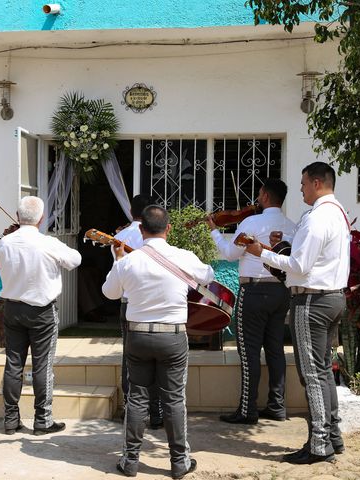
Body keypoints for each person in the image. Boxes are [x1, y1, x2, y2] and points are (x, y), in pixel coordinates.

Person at [245, 162, 350, 464]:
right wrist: (279, 250)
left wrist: (262, 253)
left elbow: (300, 267)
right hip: (331, 298)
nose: (301, 188)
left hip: (312, 302)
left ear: (317, 183)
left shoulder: (317, 218)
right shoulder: (338, 214)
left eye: (304, 183)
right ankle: (332, 436)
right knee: (324, 370)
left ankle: (319, 444)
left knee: (312, 374)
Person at [102, 205, 215, 479]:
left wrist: (118, 260)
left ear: (140, 231)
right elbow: (209, 276)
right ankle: (179, 462)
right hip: (173, 335)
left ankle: (130, 462)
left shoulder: (129, 261)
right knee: (174, 399)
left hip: (138, 335)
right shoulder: (183, 256)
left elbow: (110, 293)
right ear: (169, 229)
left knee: (137, 398)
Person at [207, 179, 296, 424]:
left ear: (265, 196)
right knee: (276, 349)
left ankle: (247, 410)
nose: (256, 199)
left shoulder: (251, 222)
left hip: (254, 291)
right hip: (280, 292)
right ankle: (277, 406)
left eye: (259, 194)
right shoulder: (293, 226)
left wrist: (214, 230)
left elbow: (229, 253)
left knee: (249, 352)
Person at [0, 196, 82, 436]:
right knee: (42, 364)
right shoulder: (48, 243)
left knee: (13, 363)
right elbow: (75, 260)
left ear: (17, 215)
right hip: (42, 311)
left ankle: (11, 419)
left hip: (13, 308)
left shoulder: (5, 242)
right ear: (42, 218)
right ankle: (42, 420)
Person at [114, 194, 163, 430]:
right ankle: (157, 412)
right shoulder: (162, 238)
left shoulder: (119, 237)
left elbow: (115, 278)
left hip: (129, 302)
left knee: (131, 357)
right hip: (157, 302)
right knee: (159, 360)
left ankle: (130, 408)